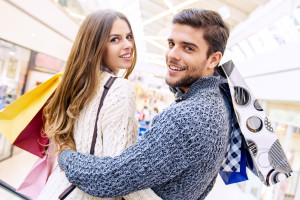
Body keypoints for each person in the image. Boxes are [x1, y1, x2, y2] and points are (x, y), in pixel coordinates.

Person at [58, 8, 232, 200]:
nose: (172, 55)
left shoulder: (188, 117)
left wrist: (65, 155)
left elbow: (108, 179)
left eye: (188, 48)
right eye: (171, 44)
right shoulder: (217, 103)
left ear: (213, 59)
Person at [37, 9, 161, 200]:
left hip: (54, 191)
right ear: (95, 46)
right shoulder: (119, 89)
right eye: (115, 39)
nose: (128, 45)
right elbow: (119, 177)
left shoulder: (74, 86)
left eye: (128, 36)